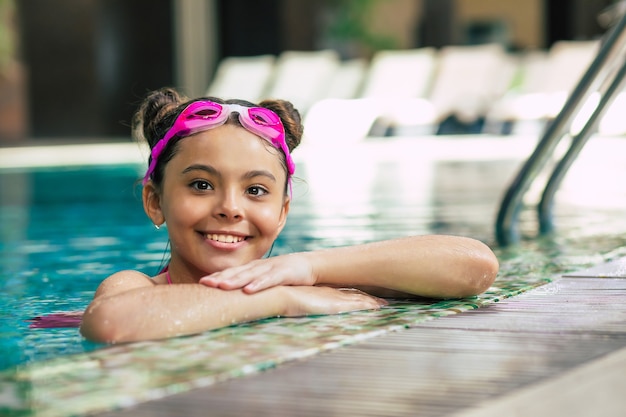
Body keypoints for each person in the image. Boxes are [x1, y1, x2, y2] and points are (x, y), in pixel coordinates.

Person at [79, 87, 499, 343]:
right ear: (155, 202)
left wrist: (309, 266)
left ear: (282, 212)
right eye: (201, 184)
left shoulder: (311, 278)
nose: (230, 207)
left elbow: (475, 266)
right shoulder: (135, 286)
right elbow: (113, 323)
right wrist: (281, 298)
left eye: (256, 190)